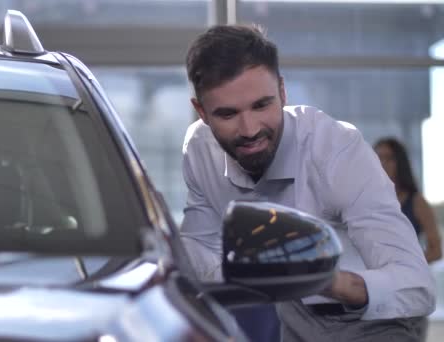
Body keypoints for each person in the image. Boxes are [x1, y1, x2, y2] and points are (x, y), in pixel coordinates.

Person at [180, 23, 436, 342]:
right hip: (293, 320)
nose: (249, 130)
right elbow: (199, 250)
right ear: (201, 111)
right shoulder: (200, 150)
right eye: (228, 114)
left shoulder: (335, 150)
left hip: (375, 326)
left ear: (283, 92)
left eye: (262, 105)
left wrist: (322, 280)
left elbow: (416, 287)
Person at [374, 137, 442, 341]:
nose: (382, 163)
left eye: (388, 158)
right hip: (378, 291)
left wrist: (408, 263)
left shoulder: (416, 201)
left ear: (399, 162)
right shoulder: (368, 200)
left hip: (410, 289)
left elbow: (437, 249)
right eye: (377, 157)